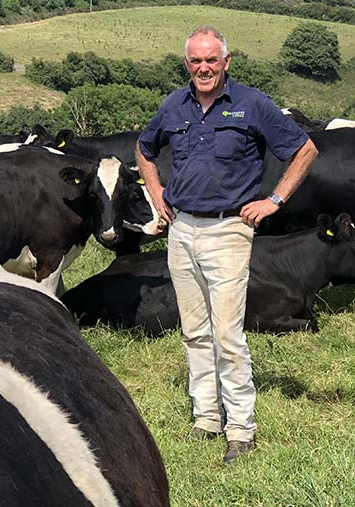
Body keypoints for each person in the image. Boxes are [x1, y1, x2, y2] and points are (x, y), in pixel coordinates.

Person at [135, 26, 318, 464]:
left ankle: (240, 429)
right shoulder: (173, 106)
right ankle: (206, 418)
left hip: (228, 231)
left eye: (211, 60)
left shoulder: (252, 104)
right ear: (186, 65)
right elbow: (144, 150)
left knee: (227, 334)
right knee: (194, 330)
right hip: (181, 231)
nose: (203, 68)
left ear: (226, 61)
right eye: (196, 61)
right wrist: (158, 195)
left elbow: (305, 149)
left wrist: (275, 199)